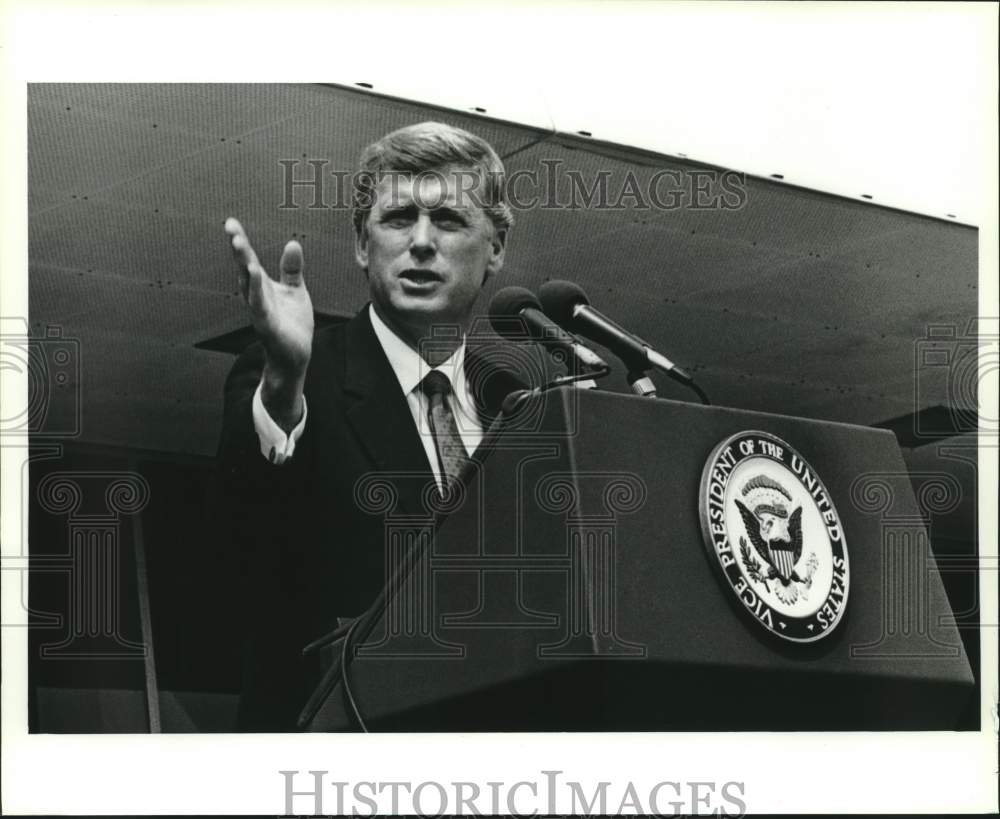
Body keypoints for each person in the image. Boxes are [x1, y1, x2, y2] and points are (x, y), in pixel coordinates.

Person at [218, 122, 522, 731]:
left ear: (495, 248)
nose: (422, 243)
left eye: (450, 221)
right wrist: (282, 391)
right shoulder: (292, 377)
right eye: (398, 218)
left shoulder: (522, 404)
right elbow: (239, 541)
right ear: (362, 244)